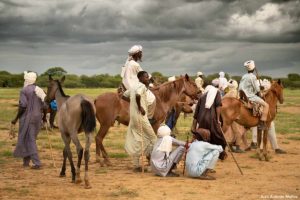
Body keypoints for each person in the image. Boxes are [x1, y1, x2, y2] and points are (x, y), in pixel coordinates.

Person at [122, 71, 157, 172]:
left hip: (132, 118)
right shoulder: (141, 86)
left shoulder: (133, 86)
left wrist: (133, 102)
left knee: (137, 139)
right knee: (153, 139)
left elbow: (124, 95)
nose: (147, 79)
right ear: (140, 78)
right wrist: (140, 106)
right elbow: (137, 95)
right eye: (146, 77)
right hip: (141, 117)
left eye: (147, 77)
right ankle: (153, 164)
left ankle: (136, 165)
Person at [11, 71, 46, 169]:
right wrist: (44, 118)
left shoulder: (24, 90)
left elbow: (23, 106)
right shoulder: (39, 90)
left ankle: (37, 163)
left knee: (30, 139)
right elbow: (45, 105)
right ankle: (26, 162)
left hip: (28, 118)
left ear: (26, 80)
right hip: (38, 117)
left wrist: (15, 118)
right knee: (30, 138)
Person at [191, 79, 227, 160]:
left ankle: (203, 156)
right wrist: (218, 119)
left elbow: (196, 113)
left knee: (203, 138)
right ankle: (219, 155)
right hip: (211, 119)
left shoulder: (202, 96)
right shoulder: (216, 92)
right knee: (219, 138)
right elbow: (218, 106)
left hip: (201, 120)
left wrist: (194, 126)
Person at [121, 45, 156, 122]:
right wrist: (151, 80)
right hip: (132, 86)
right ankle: (149, 118)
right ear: (136, 54)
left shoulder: (129, 62)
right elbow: (143, 74)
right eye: (141, 52)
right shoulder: (135, 64)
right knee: (152, 98)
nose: (142, 54)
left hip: (127, 84)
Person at [250, 79, 286, 154]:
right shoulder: (260, 94)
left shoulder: (268, 93)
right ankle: (259, 146)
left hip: (262, 112)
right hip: (259, 111)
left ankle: (273, 147)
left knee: (268, 127)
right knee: (262, 127)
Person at [239, 60, 269, 131]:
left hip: (242, 95)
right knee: (266, 105)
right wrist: (260, 93)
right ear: (253, 68)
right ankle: (262, 123)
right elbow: (257, 89)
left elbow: (241, 86)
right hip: (250, 96)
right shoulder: (253, 77)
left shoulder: (244, 76)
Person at [223, 79, 248, 153]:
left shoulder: (227, 93)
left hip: (227, 114)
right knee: (238, 131)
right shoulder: (234, 92)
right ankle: (237, 147)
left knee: (230, 131)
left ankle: (230, 147)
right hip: (234, 114)